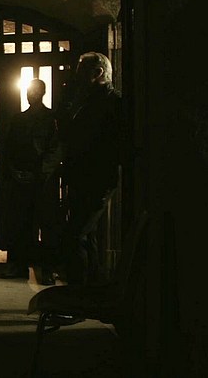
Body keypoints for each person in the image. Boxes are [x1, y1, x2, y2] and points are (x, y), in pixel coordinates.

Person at [60, 52, 121, 287]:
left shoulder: (111, 103)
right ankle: (92, 286)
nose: (77, 78)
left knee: (75, 235)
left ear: (98, 73)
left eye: (81, 72)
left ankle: (78, 290)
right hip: (85, 177)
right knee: (87, 235)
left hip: (96, 178)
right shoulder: (90, 102)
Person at [0, 78, 62, 285]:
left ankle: (48, 268)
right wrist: (14, 171)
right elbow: (9, 149)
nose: (29, 95)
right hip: (22, 177)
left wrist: (40, 172)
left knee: (47, 224)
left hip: (43, 180)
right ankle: (18, 265)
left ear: (42, 93)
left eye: (33, 91)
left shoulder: (52, 119)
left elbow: (56, 149)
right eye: (28, 91)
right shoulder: (18, 119)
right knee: (20, 223)